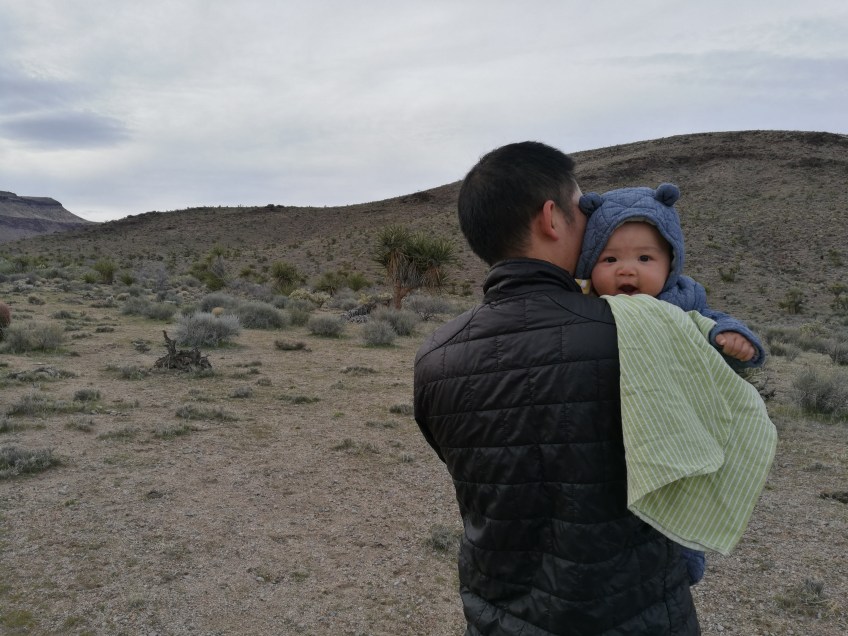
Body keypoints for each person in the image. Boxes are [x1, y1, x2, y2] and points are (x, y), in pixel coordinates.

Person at [413, 142, 700, 635]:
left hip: (498, 617)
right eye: (582, 206)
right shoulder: (639, 333)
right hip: (636, 615)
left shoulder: (435, 356)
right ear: (552, 218)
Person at [574, 183, 767, 586]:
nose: (626, 270)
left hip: (679, 414)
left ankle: (685, 553)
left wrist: (729, 337)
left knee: (687, 483)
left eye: (645, 257)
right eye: (609, 258)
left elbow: (712, 321)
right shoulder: (585, 303)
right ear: (589, 263)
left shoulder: (684, 297)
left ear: (671, 262)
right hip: (624, 418)